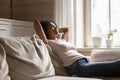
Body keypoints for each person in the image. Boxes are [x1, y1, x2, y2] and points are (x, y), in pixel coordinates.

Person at [34, 20, 120, 77]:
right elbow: (36, 23)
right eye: (51, 27)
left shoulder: (62, 40)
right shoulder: (48, 42)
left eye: (55, 26)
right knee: (117, 64)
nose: (55, 27)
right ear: (45, 31)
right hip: (78, 68)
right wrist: (50, 28)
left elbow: (67, 29)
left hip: (85, 62)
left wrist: (55, 29)